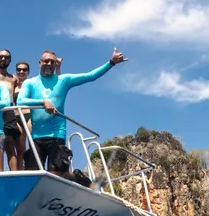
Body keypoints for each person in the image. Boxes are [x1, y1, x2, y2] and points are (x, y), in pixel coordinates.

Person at [16, 47, 127, 178]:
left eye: (52, 62)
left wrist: (111, 63)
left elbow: (90, 76)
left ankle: (77, 177)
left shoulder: (64, 80)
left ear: (56, 64)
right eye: (46, 61)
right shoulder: (30, 83)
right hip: (36, 136)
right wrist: (43, 102)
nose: (49, 64)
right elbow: (20, 101)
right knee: (33, 174)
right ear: (40, 63)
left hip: (57, 133)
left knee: (55, 174)